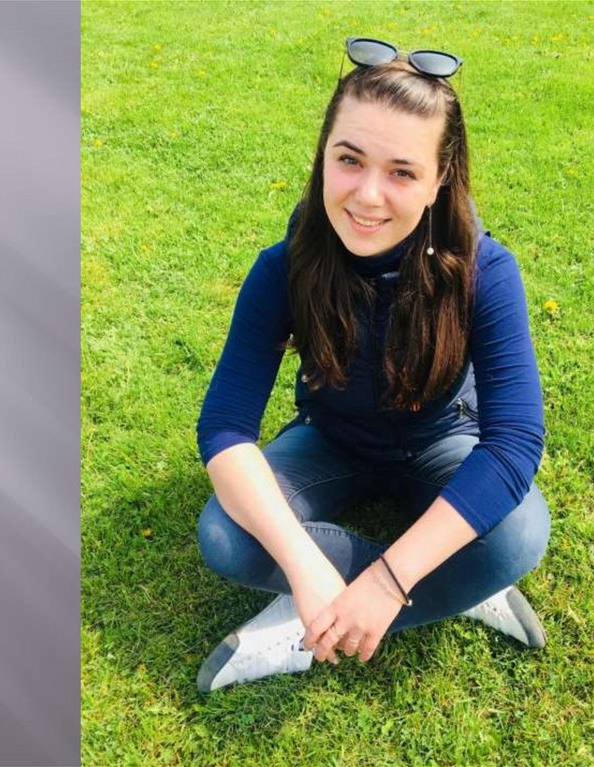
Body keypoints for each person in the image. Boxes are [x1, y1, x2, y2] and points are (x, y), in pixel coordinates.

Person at [195, 38, 551, 693]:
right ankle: (463, 584)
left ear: (440, 180)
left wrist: (390, 581)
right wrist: (304, 565)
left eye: (402, 172)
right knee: (225, 532)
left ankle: (301, 629)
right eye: (349, 159)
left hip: (445, 440)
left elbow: (513, 444)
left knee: (517, 534)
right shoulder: (284, 267)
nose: (367, 196)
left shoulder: (486, 271)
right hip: (332, 442)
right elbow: (224, 428)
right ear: (323, 155)